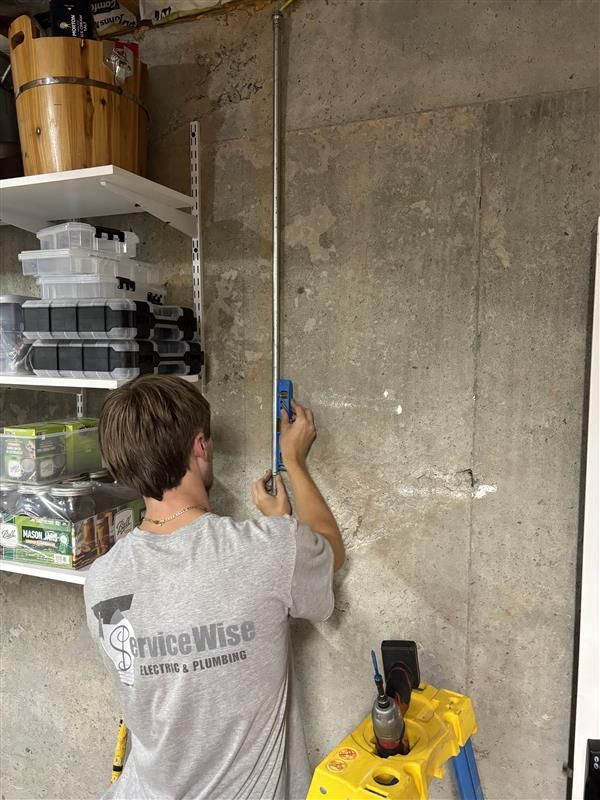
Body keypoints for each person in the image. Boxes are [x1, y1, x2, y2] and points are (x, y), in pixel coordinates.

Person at [84, 374, 344, 800]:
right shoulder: (268, 549)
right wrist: (293, 463)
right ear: (200, 446)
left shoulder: (101, 581)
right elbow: (329, 553)